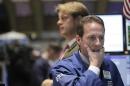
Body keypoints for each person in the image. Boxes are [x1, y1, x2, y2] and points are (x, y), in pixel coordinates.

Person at [51, 15, 124, 86]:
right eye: (92, 38)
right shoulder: (62, 68)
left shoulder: (110, 65)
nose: (98, 43)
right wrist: (94, 67)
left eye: (101, 38)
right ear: (79, 40)